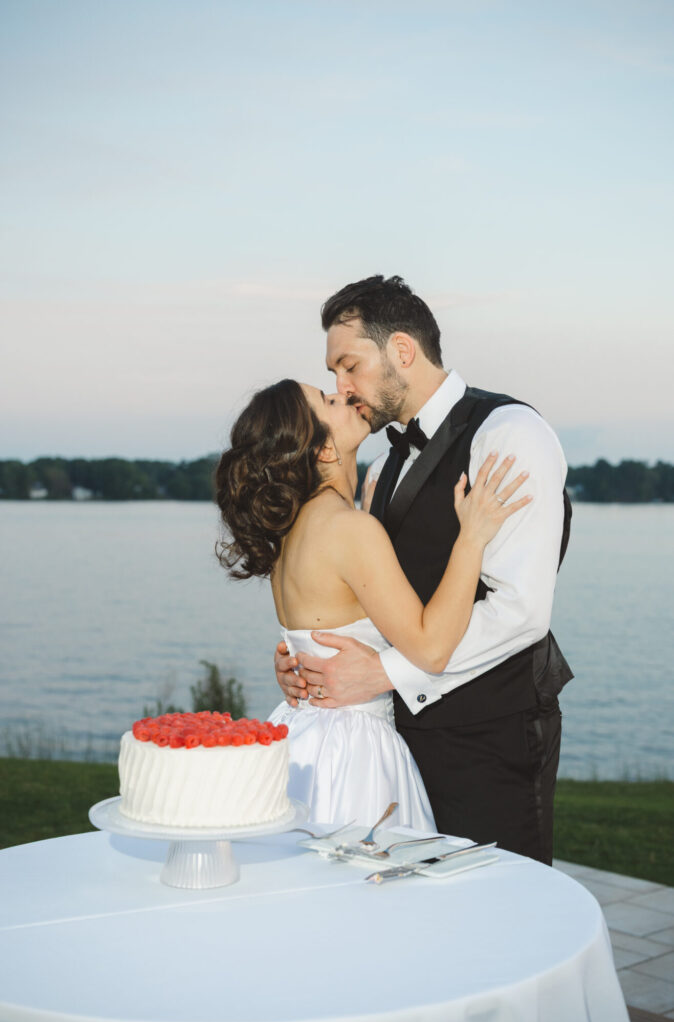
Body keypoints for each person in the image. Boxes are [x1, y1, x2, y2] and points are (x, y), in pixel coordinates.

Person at [274, 275, 572, 864]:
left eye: (349, 366)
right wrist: (313, 662)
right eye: (334, 375)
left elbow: (521, 610)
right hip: (396, 745)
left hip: (492, 735)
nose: (343, 386)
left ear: (402, 352)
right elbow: (375, 598)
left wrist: (380, 673)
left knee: (496, 908)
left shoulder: (510, 434)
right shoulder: (382, 465)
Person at [214, 378, 530, 829]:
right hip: (352, 754)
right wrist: (472, 538)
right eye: (327, 401)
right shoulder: (350, 530)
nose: (343, 393)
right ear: (323, 450)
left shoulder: (289, 534)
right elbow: (431, 647)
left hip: (298, 736)